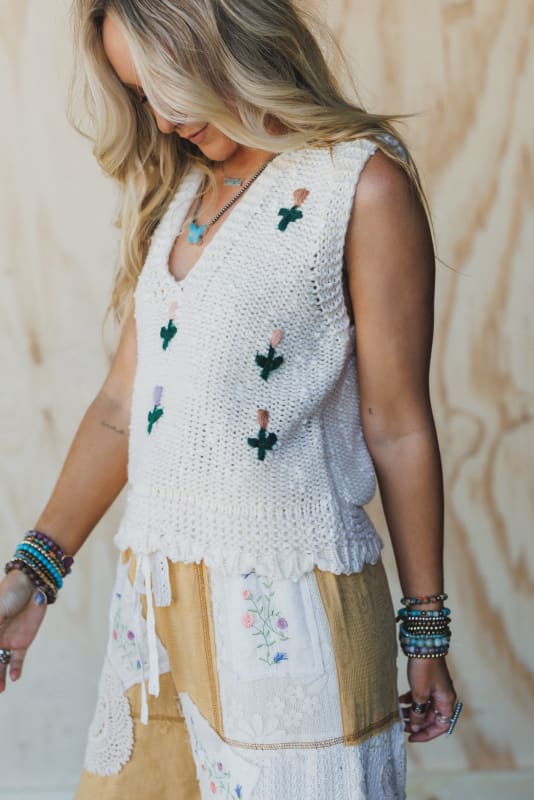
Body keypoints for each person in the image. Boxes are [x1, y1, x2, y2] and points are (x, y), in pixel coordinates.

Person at [0, 1, 462, 798]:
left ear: (229, 42)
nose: (162, 117)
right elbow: (121, 407)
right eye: (140, 94)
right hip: (155, 614)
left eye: (168, 83)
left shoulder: (359, 184)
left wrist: (426, 630)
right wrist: (32, 577)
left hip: (292, 605)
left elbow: (397, 427)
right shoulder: (182, 196)